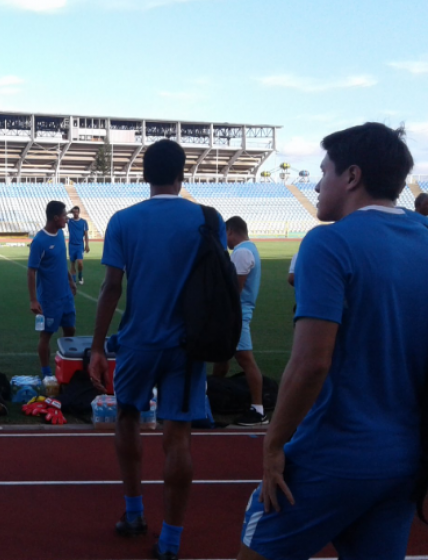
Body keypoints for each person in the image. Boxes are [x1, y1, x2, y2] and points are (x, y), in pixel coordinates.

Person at [238, 123, 428, 560]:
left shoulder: (328, 243)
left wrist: (273, 444)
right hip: (405, 459)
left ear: (352, 177)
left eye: (323, 172)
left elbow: (310, 364)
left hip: (333, 453)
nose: (319, 184)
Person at [89, 139, 225, 560]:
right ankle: (171, 539)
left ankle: (134, 513)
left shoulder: (124, 221)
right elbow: (216, 282)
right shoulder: (208, 218)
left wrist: (96, 346)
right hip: (188, 344)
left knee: (127, 419)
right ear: (182, 173)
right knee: (178, 437)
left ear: (145, 175)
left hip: (138, 343)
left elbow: (112, 288)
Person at [212, 216, 267, 426]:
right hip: (236, 313)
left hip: (237, 314)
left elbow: (234, 290)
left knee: (245, 359)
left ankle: (258, 409)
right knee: (222, 355)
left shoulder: (242, 252)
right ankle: (216, 392)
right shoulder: (249, 249)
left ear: (230, 231)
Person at [28, 201, 77, 379]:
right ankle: (46, 371)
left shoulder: (60, 234)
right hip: (48, 300)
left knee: (70, 329)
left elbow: (61, 262)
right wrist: (33, 300)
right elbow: (31, 271)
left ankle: (65, 361)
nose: (67, 219)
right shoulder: (39, 242)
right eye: (65, 216)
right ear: (55, 218)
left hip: (65, 296)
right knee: (46, 334)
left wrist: (70, 281)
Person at [67, 206, 90, 285]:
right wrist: (69, 211)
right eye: (74, 212)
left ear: (79, 212)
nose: (75, 213)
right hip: (71, 245)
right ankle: (73, 280)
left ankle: (80, 276)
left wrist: (87, 245)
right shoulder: (69, 221)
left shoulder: (83, 222)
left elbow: (86, 234)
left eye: (77, 212)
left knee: (80, 263)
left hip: (80, 245)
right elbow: (61, 215)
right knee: (72, 263)